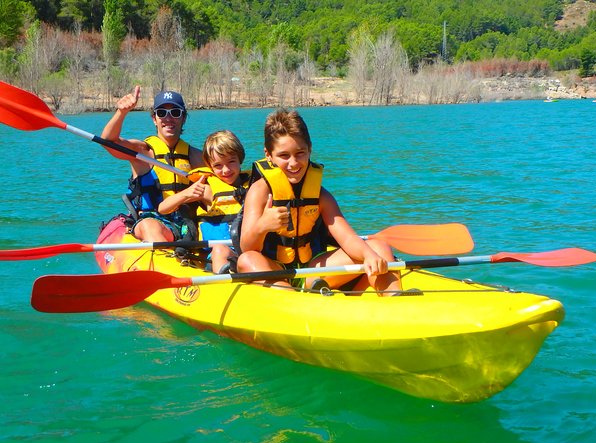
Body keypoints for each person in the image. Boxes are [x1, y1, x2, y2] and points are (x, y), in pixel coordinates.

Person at [236, 108, 403, 296]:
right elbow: (247, 248)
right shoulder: (259, 192)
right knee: (247, 260)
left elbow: (347, 238)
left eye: (300, 153)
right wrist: (262, 225)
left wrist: (369, 256)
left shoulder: (321, 195)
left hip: (313, 271)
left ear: (310, 150)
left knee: (378, 247)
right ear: (268, 155)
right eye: (284, 155)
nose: (293, 163)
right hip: (275, 270)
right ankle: (290, 298)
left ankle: (394, 299)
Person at [100, 86, 205, 242]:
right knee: (149, 225)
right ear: (154, 119)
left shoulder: (196, 156)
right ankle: (164, 261)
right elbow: (108, 141)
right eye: (162, 113)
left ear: (183, 118)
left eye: (175, 113)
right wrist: (121, 113)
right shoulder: (142, 152)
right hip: (153, 219)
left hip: (186, 222)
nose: (168, 118)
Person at [158, 130, 249, 274]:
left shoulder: (254, 186)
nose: (226, 170)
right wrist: (186, 194)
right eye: (218, 165)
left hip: (247, 253)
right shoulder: (208, 190)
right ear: (210, 166)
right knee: (220, 250)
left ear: (240, 159)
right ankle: (222, 287)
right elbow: (163, 209)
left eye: (231, 161)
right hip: (216, 256)